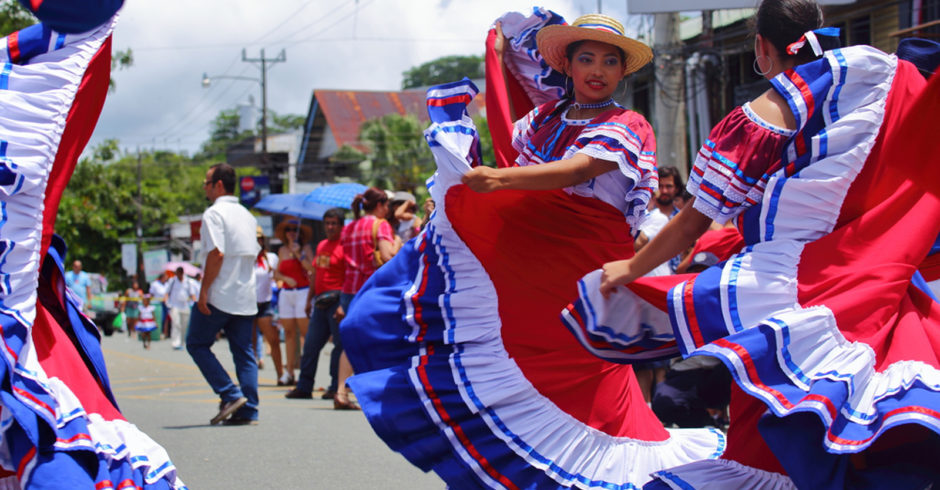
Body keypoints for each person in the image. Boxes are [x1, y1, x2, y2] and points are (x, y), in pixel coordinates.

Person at [341, 11, 723, 488]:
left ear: (623, 71)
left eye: (610, 60)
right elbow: (516, 173)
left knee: (592, 393)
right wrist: (462, 195)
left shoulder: (629, 124)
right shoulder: (541, 121)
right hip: (530, 268)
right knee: (507, 370)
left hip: (583, 275)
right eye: (587, 58)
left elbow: (577, 170)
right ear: (568, 65)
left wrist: (495, 180)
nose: (598, 69)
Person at [568, 0, 940, 486]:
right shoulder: (883, 77)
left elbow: (693, 221)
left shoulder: (772, 110)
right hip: (881, 286)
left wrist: (631, 269)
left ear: (761, 48)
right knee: (868, 430)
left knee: (773, 436)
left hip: (792, 295)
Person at [187, 163, 261, 426]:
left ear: (219, 185)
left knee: (196, 343)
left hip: (221, 292)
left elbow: (216, 254)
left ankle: (230, 394)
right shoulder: (247, 215)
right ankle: (249, 409)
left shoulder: (214, 214)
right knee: (244, 352)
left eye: (207, 183)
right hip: (245, 294)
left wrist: (204, 291)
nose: (205, 188)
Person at [336, 187, 396, 410]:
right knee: (380, 340)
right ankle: (378, 394)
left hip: (348, 290)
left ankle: (341, 390)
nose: (388, 210)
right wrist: (398, 245)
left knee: (350, 343)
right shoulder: (380, 225)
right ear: (380, 205)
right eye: (387, 205)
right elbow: (388, 256)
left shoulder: (350, 227)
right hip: (371, 290)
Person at [286, 208, 346, 400]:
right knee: (311, 345)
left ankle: (335, 387)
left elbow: (350, 277)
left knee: (338, 346)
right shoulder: (321, 245)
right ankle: (304, 386)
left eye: (334, 223)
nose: (330, 227)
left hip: (337, 299)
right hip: (319, 301)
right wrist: (308, 299)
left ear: (341, 225)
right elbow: (315, 274)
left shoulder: (346, 245)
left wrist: (343, 304)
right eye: (327, 223)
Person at [273, 217, 315, 386]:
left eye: (293, 229)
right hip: (287, 293)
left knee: (306, 334)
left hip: (303, 292)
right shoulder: (282, 250)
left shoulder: (305, 248)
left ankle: (305, 373)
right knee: (289, 334)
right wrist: (285, 278)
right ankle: (289, 372)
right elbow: (275, 274)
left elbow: (312, 269)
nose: (290, 233)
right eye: (287, 230)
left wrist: (299, 254)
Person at [254, 226, 283, 384]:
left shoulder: (271, 258)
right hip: (247, 305)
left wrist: (278, 279)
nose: (257, 242)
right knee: (249, 344)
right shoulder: (245, 258)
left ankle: (281, 375)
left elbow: (279, 277)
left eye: (259, 238)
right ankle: (250, 379)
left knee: (273, 340)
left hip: (265, 303)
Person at [164, 266, 197, 350]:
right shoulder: (172, 281)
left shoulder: (188, 281)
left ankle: (182, 342)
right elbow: (167, 292)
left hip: (185, 306)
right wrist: (167, 302)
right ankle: (175, 343)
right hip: (174, 306)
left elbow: (192, 294)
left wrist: (195, 303)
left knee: (184, 325)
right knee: (176, 324)